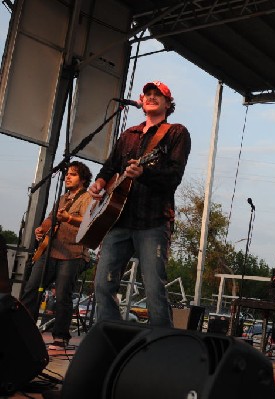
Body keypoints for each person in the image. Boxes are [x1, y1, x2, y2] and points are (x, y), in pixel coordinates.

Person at [88, 81, 191, 327]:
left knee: (154, 287)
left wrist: (143, 172)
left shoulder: (176, 132)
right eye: (148, 94)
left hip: (153, 221)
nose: (152, 97)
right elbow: (111, 166)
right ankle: (111, 335)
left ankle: (160, 343)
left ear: (168, 103)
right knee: (102, 284)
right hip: (118, 219)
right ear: (141, 101)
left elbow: (173, 177)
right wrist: (100, 183)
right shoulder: (129, 134)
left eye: (159, 95)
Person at [20, 161, 93, 349]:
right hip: (51, 250)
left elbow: (88, 222)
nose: (67, 177)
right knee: (31, 289)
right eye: (67, 174)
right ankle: (23, 330)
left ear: (83, 179)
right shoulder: (62, 198)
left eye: (73, 174)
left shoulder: (87, 198)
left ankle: (60, 336)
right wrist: (40, 230)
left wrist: (69, 218)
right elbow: (50, 219)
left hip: (73, 253)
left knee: (62, 296)